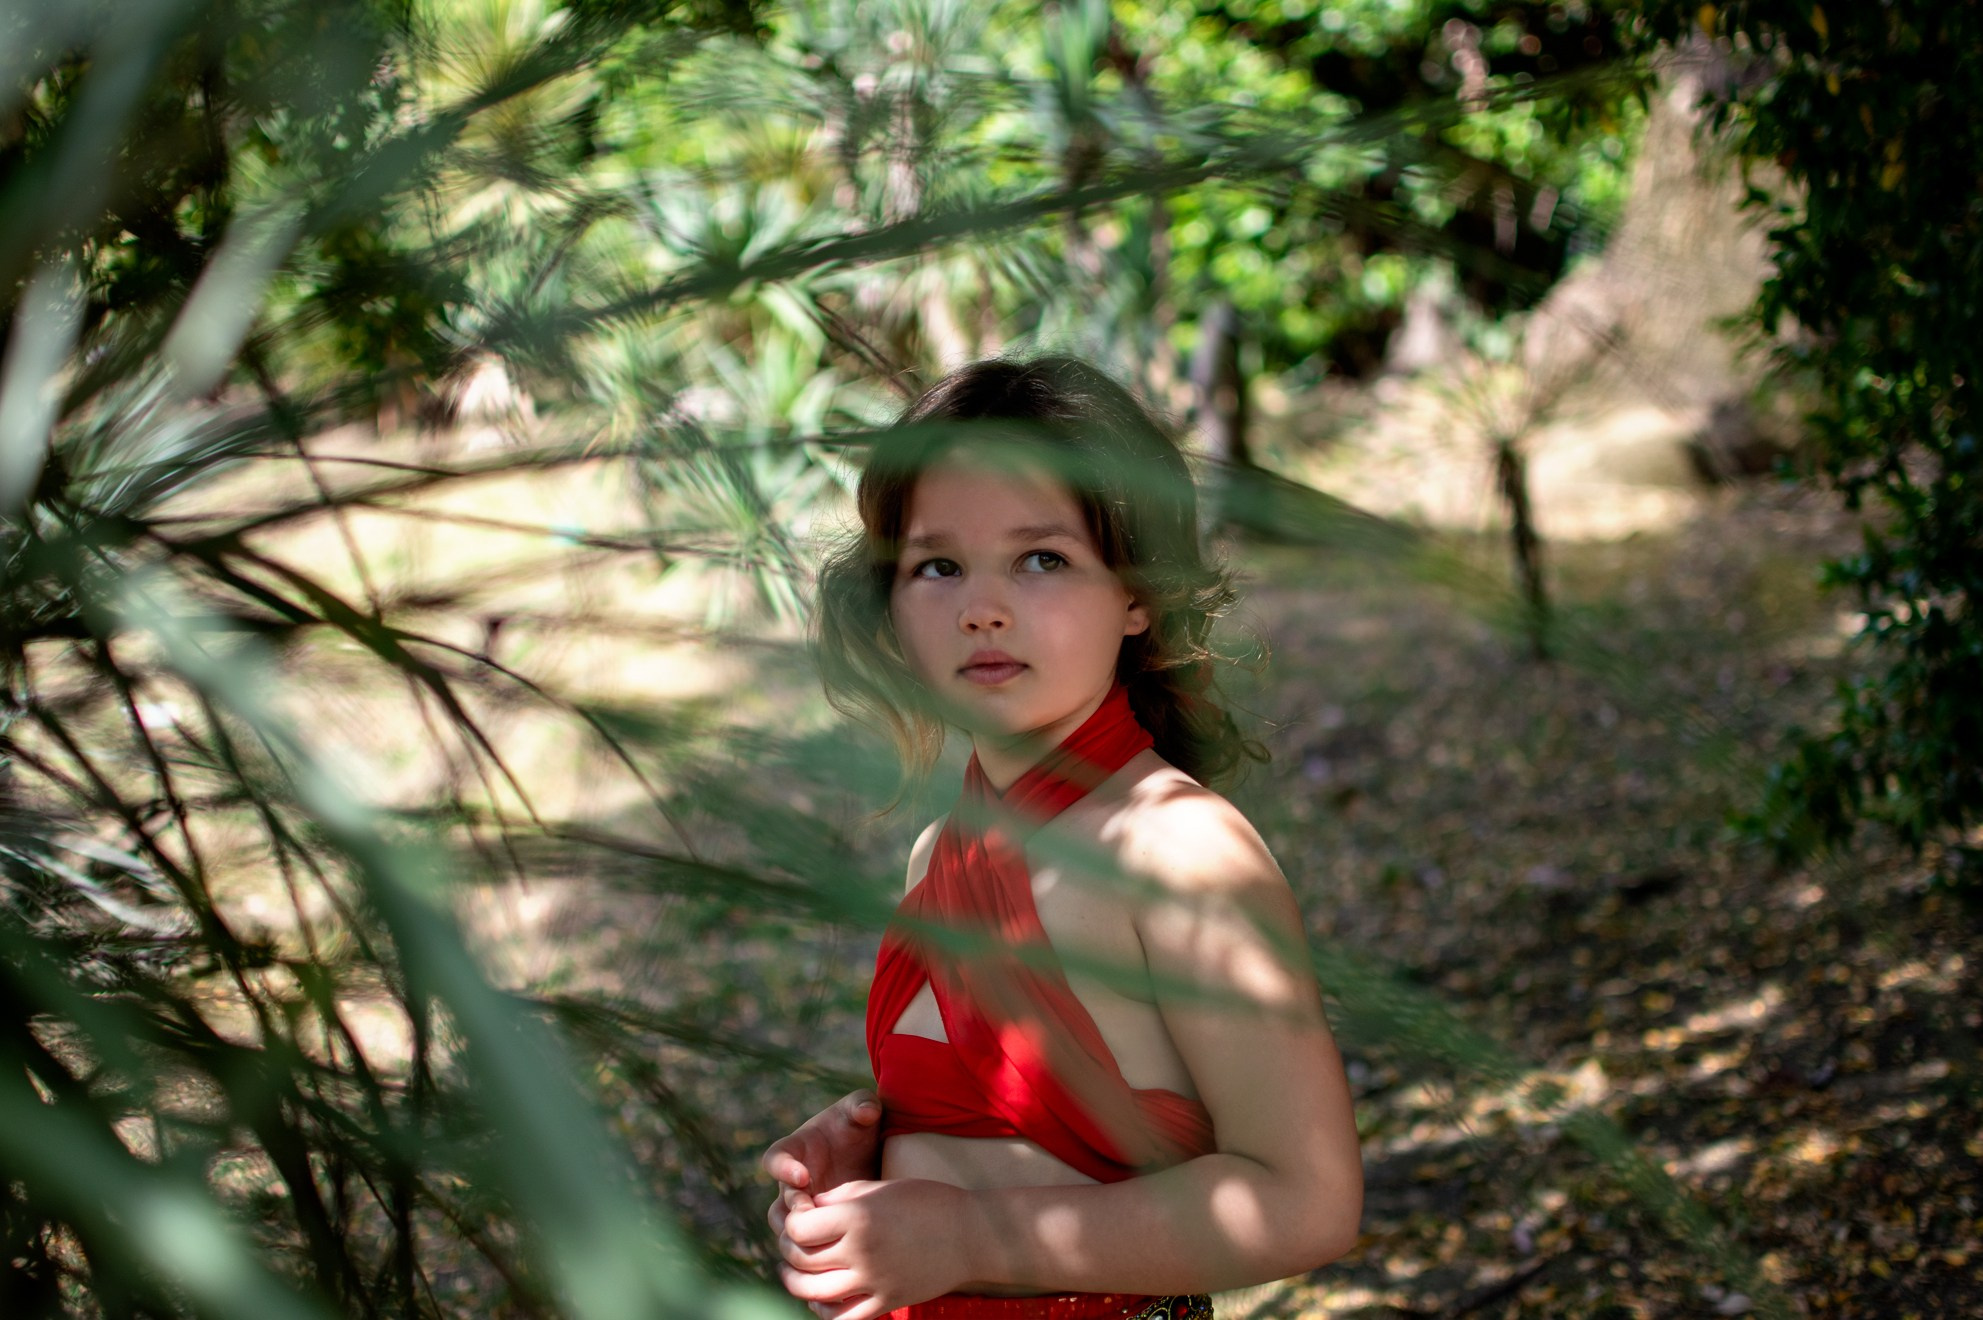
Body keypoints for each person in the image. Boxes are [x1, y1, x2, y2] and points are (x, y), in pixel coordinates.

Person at [763, 356, 1362, 1320]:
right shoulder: (942, 849)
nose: (981, 607)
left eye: (1041, 558)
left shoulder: (1176, 851)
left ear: (1136, 594)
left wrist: (969, 1236)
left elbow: (1308, 1202)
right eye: (937, 565)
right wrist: (865, 1160)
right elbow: (1017, 1126)